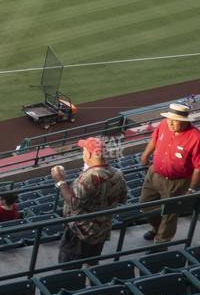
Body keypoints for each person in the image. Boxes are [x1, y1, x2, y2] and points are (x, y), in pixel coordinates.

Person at [53, 137, 128, 269]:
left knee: (69, 267)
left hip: (80, 232)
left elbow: (73, 203)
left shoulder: (89, 177)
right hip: (102, 229)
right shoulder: (118, 174)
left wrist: (60, 181)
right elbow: (122, 198)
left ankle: (74, 286)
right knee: (92, 262)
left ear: (89, 154)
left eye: (84, 150)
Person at [139, 102, 200, 243]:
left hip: (177, 182)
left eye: (175, 120)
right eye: (169, 119)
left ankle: (161, 244)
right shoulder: (164, 124)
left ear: (184, 121)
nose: (170, 123)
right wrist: (145, 155)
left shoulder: (196, 137)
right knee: (145, 204)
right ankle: (157, 228)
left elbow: (198, 167)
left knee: (169, 214)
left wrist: (191, 188)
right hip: (154, 173)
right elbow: (154, 140)